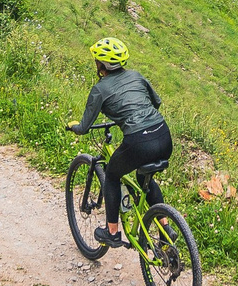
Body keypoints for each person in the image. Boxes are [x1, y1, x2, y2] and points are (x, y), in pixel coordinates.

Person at [68, 37, 171, 247]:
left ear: (101, 65)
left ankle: (112, 232)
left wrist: (73, 127)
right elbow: (156, 102)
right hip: (163, 135)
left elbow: (85, 127)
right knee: (145, 180)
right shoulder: (136, 76)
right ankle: (165, 226)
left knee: (113, 175)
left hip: (139, 141)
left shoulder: (100, 89)